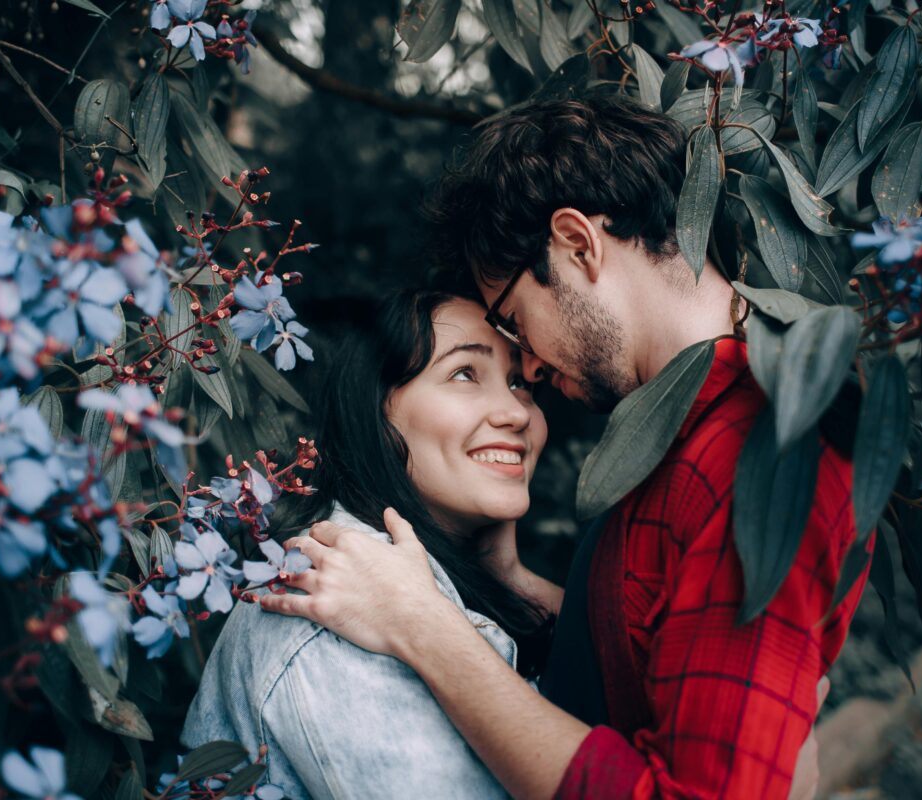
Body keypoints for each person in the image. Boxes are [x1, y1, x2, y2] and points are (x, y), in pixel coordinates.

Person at [261, 95, 867, 800]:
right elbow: (643, 662)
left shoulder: (762, 451)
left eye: (516, 323)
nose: (534, 375)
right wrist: (495, 584)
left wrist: (427, 629)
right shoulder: (674, 440)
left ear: (578, 243)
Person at [182, 288, 825, 800]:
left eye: (521, 383)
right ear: (372, 412)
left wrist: (505, 574)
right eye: (465, 373)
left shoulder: (458, 598)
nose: (516, 412)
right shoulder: (333, 603)